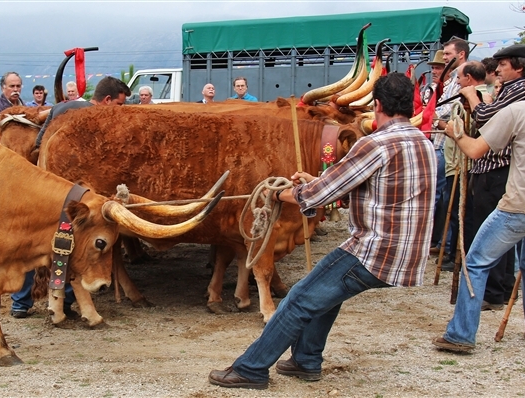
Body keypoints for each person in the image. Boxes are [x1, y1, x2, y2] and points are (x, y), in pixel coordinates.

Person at [208, 73, 436, 390]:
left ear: (378, 105)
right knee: (325, 293)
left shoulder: (375, 144)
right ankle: (305, 361)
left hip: (375, 250)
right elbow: (380, 190)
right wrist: (316, 185)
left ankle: (251, 368)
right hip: (407, 252)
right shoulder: (422, 142)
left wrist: (278, 194)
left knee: (300, 298)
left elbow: (318, 196)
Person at [433, 52, 525, 353]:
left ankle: (461, 335)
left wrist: (454, 133)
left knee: (475, 263)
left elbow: (476, 150)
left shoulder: (520, 110)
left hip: (520, 205)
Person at [13, 76, 131, 319]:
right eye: (119, 106)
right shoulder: (98, 119)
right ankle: (62, 301)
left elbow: (38, 144)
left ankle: (21, 302)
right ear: (107, 101)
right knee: (68, 244)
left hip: (45, 189)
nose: (121, 112)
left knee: (39, 242)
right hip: (75, 195)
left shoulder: (60, 107)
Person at [459, 43, 525, 311]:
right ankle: (499, 289)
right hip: (494, 169)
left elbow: (487, 119)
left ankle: (492, 292)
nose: (497, 69)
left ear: (519, 67)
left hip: (495, 168)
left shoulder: (517, 89)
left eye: (502, 65)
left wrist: (475, 98)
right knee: (501, 232)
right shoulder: (510, 90)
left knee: (490, 232)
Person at [440, 61, 487, 272]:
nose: (457, 82)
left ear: (468, 78)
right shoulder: (471, 97)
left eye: (459, 78)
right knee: (457, 213)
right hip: (457, 164)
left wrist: (443, 126)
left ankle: (460, 255)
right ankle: (455, 254)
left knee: (463, 215)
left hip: (464, 165)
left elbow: (467, 128)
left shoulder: (479, 98)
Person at [429, 38, 469, 257]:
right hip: (441, 144)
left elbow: (449, 115)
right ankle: (444, 243)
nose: (443, 58)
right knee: (444, 197)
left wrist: (435, 119)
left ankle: (449, 246)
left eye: (446, 54)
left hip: (450, 147)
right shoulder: (452, 79)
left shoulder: (463, 81)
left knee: (447, 199)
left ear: (460, 54)